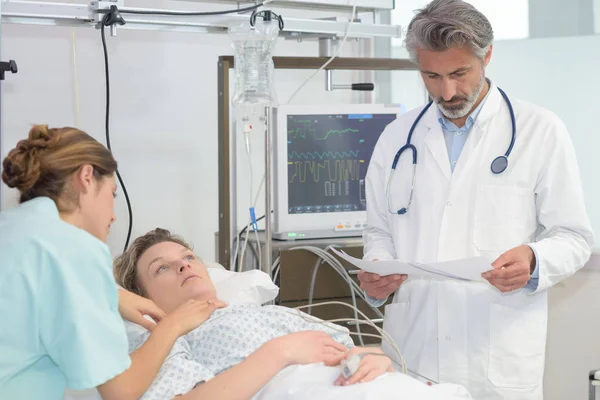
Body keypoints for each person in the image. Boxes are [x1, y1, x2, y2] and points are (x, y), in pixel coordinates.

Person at [358, 1, 594, 399]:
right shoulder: (396, 138)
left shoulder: (540, 130)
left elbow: (574, 237)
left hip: (496, 355)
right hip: (414, 353)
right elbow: (379, 229)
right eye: (431, 75)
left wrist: (535, 260)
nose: (447, 91)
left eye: (458, 73)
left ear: (487, 55)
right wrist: (377, 272)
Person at [0, 125, 211, 400]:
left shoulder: (12, 227)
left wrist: (112, 295)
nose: (112, 216)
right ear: (86, 177)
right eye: (112, 194)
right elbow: (120, 390)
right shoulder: (75, 248)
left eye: (188, 257)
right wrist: (173, 325)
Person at [112, 228, 409, 400]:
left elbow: (356, 352)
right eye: (162, 268)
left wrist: (373, 361)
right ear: (143, 299)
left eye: (188, 257)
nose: (183, 266)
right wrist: (281, 351)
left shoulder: (269, 313)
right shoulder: (167, 336)